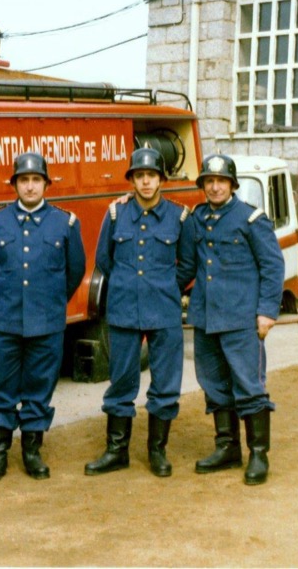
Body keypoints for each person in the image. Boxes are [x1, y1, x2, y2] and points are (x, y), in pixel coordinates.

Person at [84, 147, 196, 478]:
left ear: (162, 179)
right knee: (121, 382)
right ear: (132, 179)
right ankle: (116, 450)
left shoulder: (180, 217)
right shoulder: (116, 214)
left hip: (164, 311)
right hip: (123, 310)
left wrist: (163, 286)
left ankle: (156, 452)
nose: (146, 181)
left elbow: (187, 263)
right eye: (139, 175)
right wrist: (127, 285)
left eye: (152, 175)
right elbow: (105, 258)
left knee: (165, 383)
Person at [0, 152, 86, 483]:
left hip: (46, 321)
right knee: (0, 387)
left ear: (46, 184)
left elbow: (74, 270)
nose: (30, 186)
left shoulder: (65, 223)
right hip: (4, 320)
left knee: (39, 387)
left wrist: (50, 303)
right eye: (24, 180)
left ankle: (32, 452)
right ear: (15, 185)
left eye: (36, 180)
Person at [187, 153, 284, 485]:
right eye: (209, 182)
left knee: (249, 386)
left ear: (232, 185)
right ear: (202, 185)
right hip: (206, 317)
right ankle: (227, 448)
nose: (215, 187)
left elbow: (272, 267)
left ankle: (258, 454)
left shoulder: (251, 219)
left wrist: (267, 312)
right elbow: (187, 263)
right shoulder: (196, 219)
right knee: (213, 385)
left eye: (221, 181)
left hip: (242, 318)